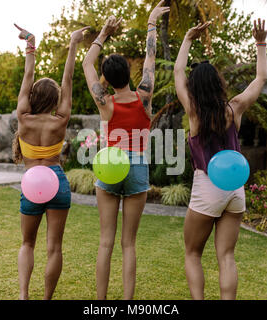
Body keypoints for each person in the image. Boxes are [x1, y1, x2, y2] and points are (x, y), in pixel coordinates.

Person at [174, 19, 267, 300]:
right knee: (226, 256)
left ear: (194, 87)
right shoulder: (234, 108)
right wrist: (260, 44)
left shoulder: (193, 112)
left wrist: (188, 38)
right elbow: (260, 78)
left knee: (192, 253)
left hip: (207, 186)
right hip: (235, 188)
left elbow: (179, 70)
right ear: (218, 83)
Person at [82, 1, 170, 300]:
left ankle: (101, 303)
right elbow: (150, 57)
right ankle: (128, 304)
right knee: (128, 244)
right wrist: (150, 22)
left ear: (106, 78)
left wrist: (103, 34)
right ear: (128, 73)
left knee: (106, 241)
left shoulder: (104, 101)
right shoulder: (144, 95)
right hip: (137, 168)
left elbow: (85, 64)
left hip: (109, 165)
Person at [13, 23, 89, 300]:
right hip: (57, 181)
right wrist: (73, 45)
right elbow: (68, 79)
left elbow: (28, 74)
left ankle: (24, 296)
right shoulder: (61, 119)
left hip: (32, 183)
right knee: (54, 247)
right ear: (55, 99)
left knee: (27, 243)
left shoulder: (24, 116)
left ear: (32, 97)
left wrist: (31, 45)